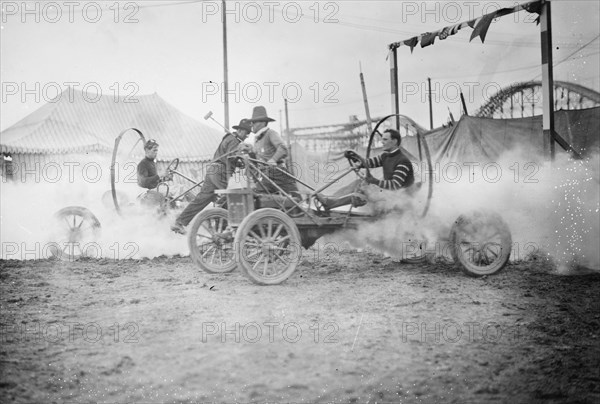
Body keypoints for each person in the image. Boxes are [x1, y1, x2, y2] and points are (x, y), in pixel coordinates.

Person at [170, 119, 252, 234]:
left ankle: (180, 222)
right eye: (246, 132)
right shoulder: (235, 141)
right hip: (221, 171)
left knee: (202, 199)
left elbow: (230, 157)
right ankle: (225, 229)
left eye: (249, 133)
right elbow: (231, 157)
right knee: (234, 197)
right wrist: (242, 151)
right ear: (239, 130)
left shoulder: (229, 138)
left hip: (212, 170)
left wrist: (239, 161)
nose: (247, 135)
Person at [317, 128, 414, 209]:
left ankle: (331, 203)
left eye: (385, 139)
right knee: (358, 183)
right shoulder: (386, 156)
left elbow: (395, 185)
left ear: (394, 141)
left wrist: (374, 181)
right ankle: (331, 200)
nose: (382, 142)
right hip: (388, 193)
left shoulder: (402, 161)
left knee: (364, 189)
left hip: (398, 198)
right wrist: (355, 159)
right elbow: (369, 162)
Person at [243, 106, 299, 196]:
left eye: (253, 122)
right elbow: (259, 158)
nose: (251, 125)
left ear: (263, 122)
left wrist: (273, 159)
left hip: (278, 173)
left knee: (297, 200)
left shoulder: (270, 133)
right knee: (259, 197)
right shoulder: (257, 139)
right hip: (266, 176)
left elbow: (283, 148)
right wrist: (250, 151)